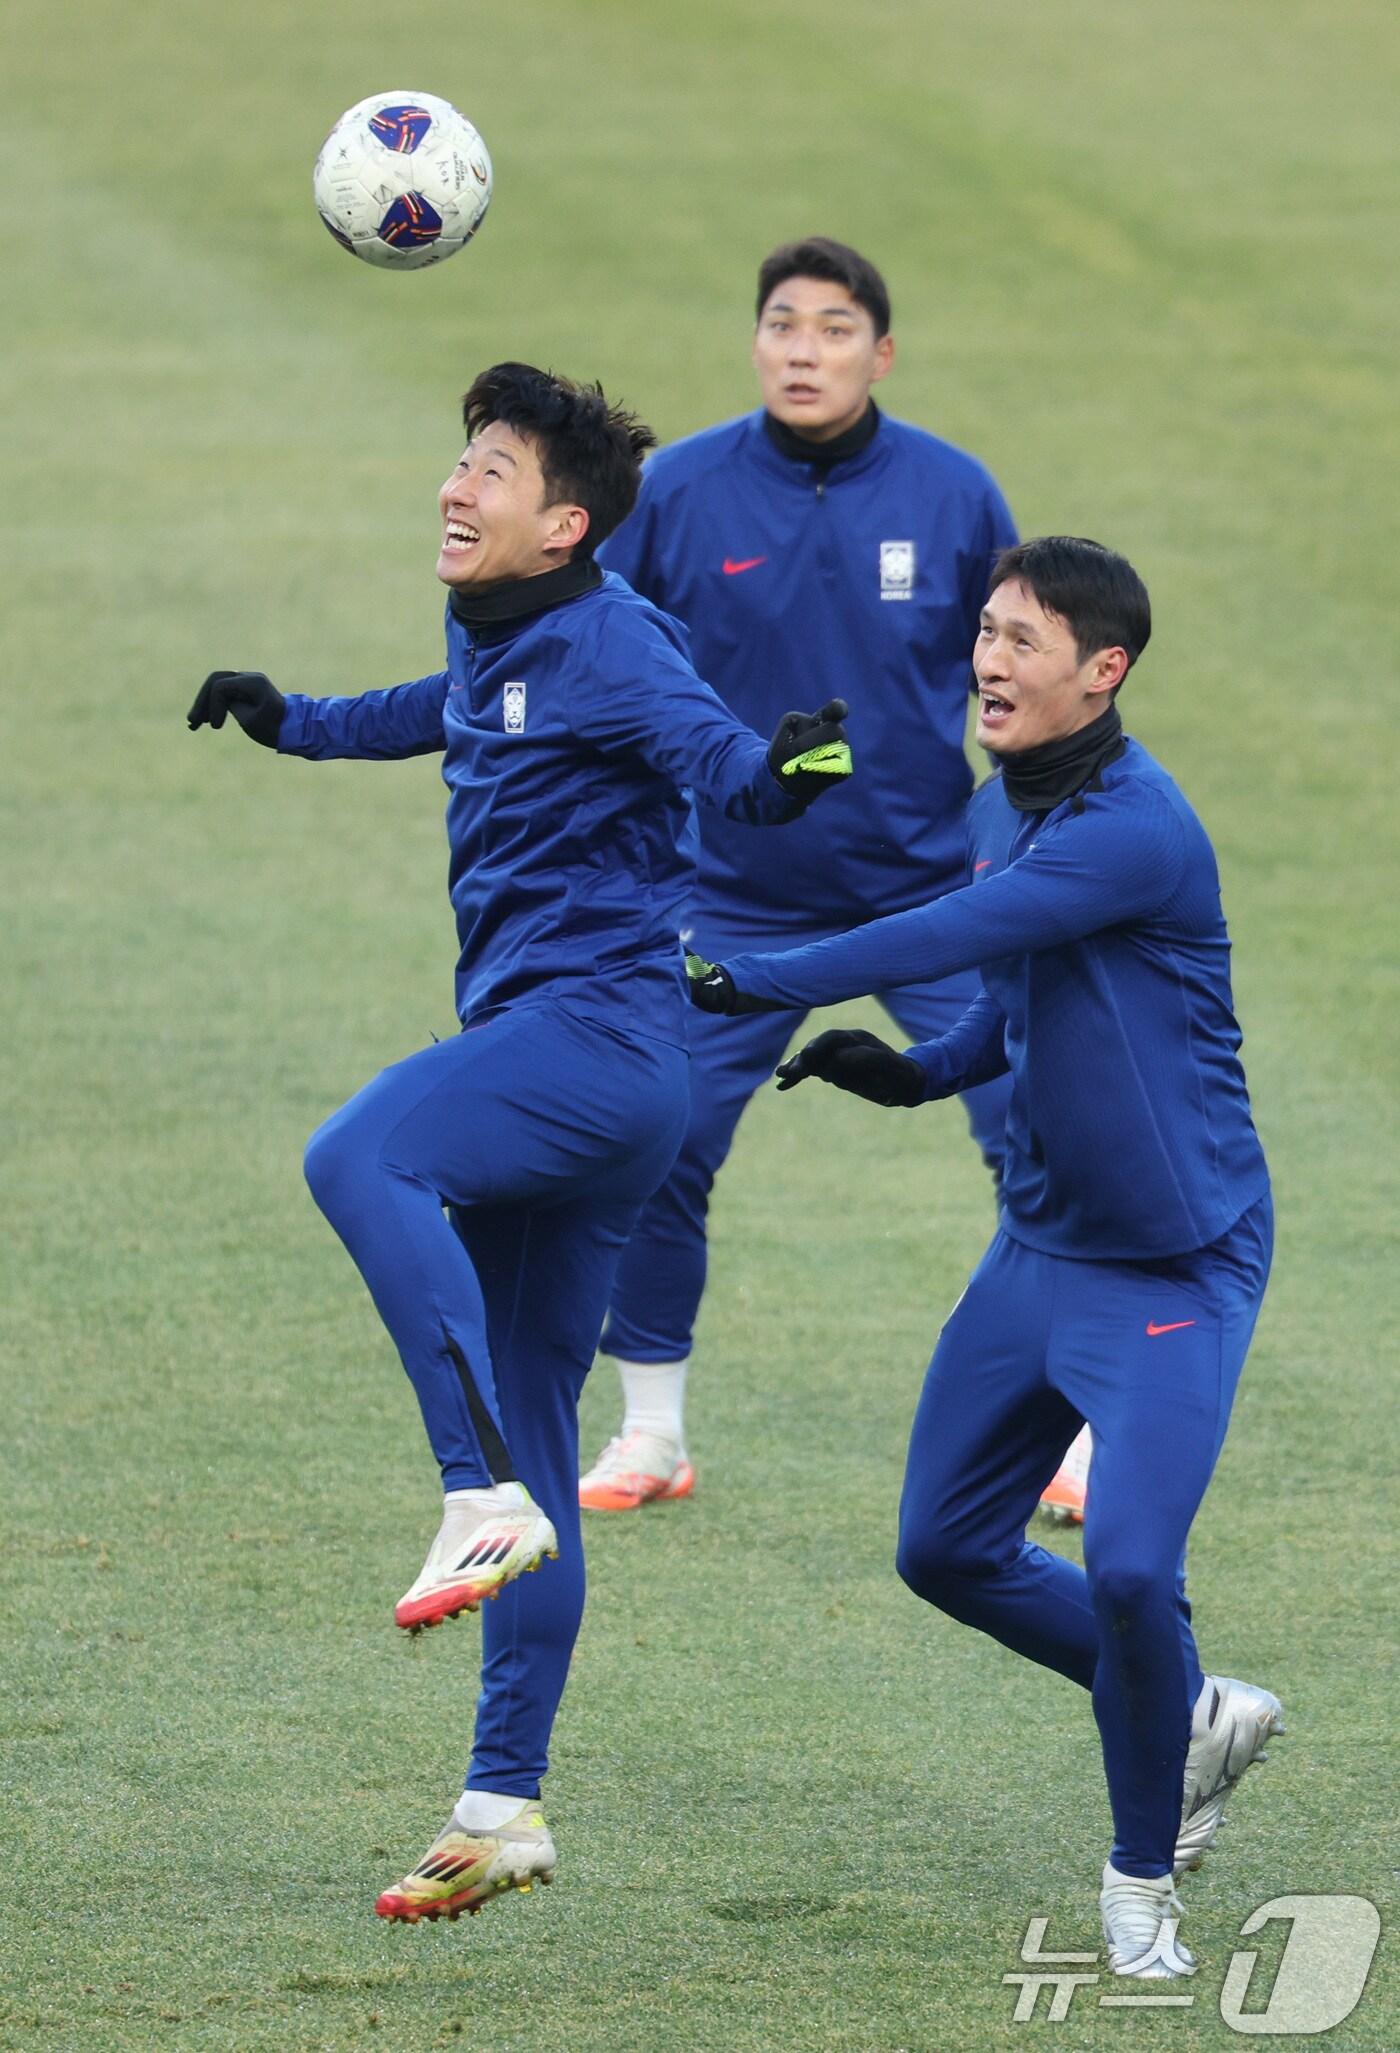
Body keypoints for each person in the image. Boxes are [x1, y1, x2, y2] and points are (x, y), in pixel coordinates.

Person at [186, 362, 853, 1923]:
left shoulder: (617, 639)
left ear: (562, 526)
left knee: (361, 1157)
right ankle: (502, 1807)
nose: (454, 487)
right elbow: (448, 716)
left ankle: (471, 1492)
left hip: (595, 1047)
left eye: (490, 469)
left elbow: (715, 760)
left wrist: (782, 774)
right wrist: (294, 723)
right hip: (588, 1079)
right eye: (460, 459)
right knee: (546, 1427)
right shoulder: (494, 635)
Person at [686, 537, 1284, 1977]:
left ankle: (1141, 1878)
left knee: (1133, 1574)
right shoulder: (996, 808)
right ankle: (1186, 1710)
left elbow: (967, 925)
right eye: (988, 635)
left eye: (1027, 641)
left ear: (1106, 670)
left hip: (1172, 1267)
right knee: (943, 1547)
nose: (991, 663)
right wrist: (912, 1071)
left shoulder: (1135, 827)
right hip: (1039, 1252)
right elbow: (1008, 1001)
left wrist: (750, 972)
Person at [581, 235, 1022, 1514]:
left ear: (879, 354)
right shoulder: (677, 492)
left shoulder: (951, 495)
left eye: (834, 329)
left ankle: (1074, 1427)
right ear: (754, 342)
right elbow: (602, 655)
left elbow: (1018, 676)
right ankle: (651, 1434)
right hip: (730, 900)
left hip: (929, 896)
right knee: (654, 1142)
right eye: (782, 324)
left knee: (1042, 1133)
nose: (803, 349)